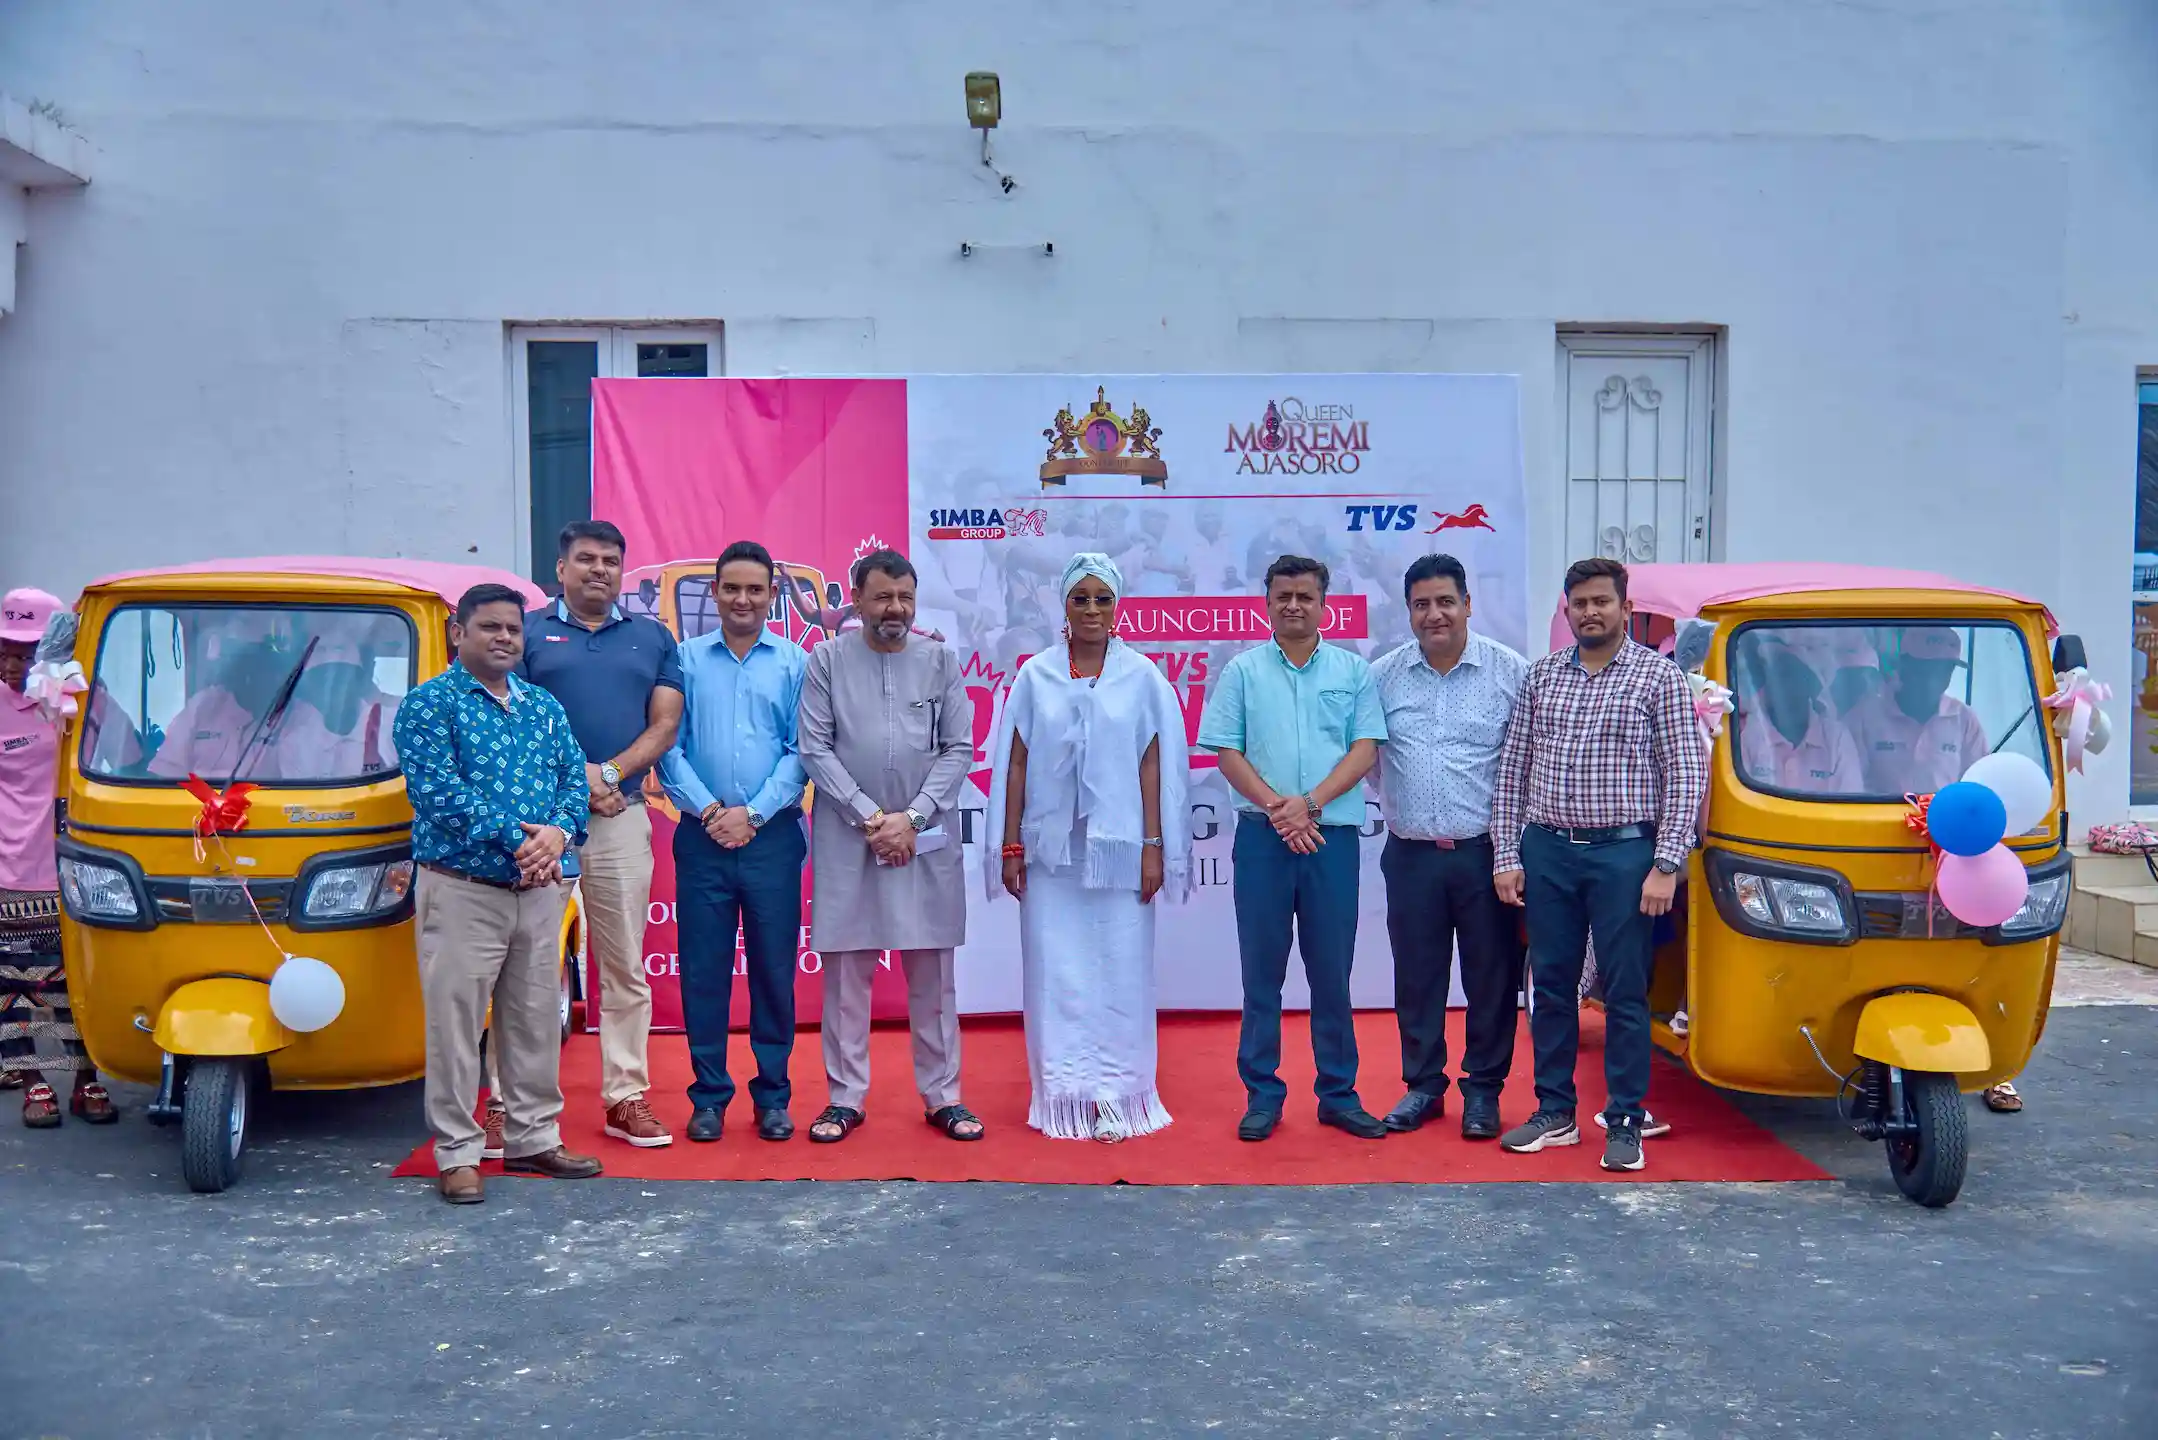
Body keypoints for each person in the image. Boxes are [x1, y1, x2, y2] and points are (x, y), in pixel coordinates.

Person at [1492, 558, 1709, 1174]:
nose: (1590, 612)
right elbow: (1512, 772)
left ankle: (1623, 1120)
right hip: (1548, 851)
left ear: (1623, 607)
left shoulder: (1656, 678)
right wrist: (1508, 854)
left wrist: (1666, 863)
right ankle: (1554, 1112)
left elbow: (1685, 772)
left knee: (1623, 989)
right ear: (1566, 610)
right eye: (1580, 602)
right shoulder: (1542, 678)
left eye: (1601, 602)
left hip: (1624, 854)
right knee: (1553, 986)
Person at [394, 584, 600, 1204]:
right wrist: (521, 841)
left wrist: (559, 834)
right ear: (459, 633)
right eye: (490, 627)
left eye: (513, 628)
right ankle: (457, 1152)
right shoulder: (430, 706)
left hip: (538, 892)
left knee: (535, 1020)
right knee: (456, 1025)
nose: (505, 637)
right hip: (463, 889)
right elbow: (438, 793)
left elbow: (573, 777)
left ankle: (534, 1137)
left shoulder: (542, 706)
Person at [985, 553, 1193, 1142]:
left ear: (1118, 605)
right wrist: (1008, 846)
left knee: (1121, 973)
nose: (1093, 610)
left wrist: (1155, 847)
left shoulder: (1142, 677)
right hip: (1052, 856)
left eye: (1104, 599)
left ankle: (1119, 1097)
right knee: (1056, 975)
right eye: (1082, 598)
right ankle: (1065, 1097)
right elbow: (1016, 763)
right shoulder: (1036, 675)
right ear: (1064, 605)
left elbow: (1154, 765)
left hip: (1120, 852)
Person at [1197, 555, 1389, 1142]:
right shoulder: (1243, 672)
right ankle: (1262, 1093)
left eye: (1305, 595)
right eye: (1283, 595)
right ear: (1267, 601)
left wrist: (1310, 805)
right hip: (1263, 841)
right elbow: (1226, 753)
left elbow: (1365, 748)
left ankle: (1338, 1093)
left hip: (1329, 839)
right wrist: (1283, 810)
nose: (1294, 605)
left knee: (1332, 972)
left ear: (1324, 601)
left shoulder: (1352, 671)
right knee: (1263, 972)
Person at [796, 549, 981, 1144]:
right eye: (882, 597)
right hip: (849, 836)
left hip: (924, 838)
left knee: (933, 972)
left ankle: (944, 1096)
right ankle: (844, 1099)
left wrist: (914, 817)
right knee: (847, 974)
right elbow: (815, 749)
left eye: (904, 597)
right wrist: (874, 817)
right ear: (856, 598)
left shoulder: (940, 661)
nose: (894, 609)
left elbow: (959, 749)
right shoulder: (826, 660)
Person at [515, 520, 684, 1151]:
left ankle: (625, 1096)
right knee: (529, 964)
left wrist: (608, 773)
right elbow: (506, 720)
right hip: (538, 826)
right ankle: (513, 1102)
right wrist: (576, 780)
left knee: (623, 966)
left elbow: (664, 725)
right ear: (560, 569)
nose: (599, 570)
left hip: (620, 814)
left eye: (610, 561)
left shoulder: (652, 636)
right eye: (585, 559)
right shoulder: (525, 633)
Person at [1368, 555, 1528, 1140]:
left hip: (1486, 855)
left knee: (1491, 976)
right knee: (1418, 975)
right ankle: (1423, 1087)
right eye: (1421, 605)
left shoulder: (1510, 673)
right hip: (1409, 854)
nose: (1434, 614)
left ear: (1466, 604)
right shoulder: (1382, 675)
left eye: (1444, 602)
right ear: (1408, 611)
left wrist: (1509, 849)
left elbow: (1526, 765)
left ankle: (1483, 1092)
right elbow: (1370, 763)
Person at [658, 541, 809, 1144]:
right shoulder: (684, 661)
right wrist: (715, 810)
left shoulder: (797, 662)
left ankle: (773, 1095)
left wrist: (755, 813)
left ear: (771, 594)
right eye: (731, 588)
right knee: (704, 971)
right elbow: (668, 745)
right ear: (714, 594)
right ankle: (709, 1097)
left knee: (774, 970)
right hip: (701, 838)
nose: (743, 599)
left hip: (772, 839)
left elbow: (804, 751)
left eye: (755, 588)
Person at [0, 589, 117, 1124]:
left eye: (24, 652)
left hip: (84, 867)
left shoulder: (86, 698)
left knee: (84, 981)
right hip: (14, 871)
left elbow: (130, 756)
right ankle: (33, 1080)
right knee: (18, 986)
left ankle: (87, 1078)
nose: (11, 663)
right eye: (3, 650)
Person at [1846, 627, 1990, 795]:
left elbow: (1977, 786)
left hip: (1941, 819)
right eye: (1927, 667)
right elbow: (1849, 787)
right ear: (1904, 665)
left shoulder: (1965, 719)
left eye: (1946, 668)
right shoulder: (1864, 716)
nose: (1937, 676)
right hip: (1874, 819)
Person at [1734, 639, 1866, 795]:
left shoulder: (1836, 737)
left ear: (1811, 687)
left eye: (1794, 676)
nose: (1785, 688)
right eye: (1778, 678)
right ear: (1767, 688)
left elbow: (1849, 803)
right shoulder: (1749, 734)